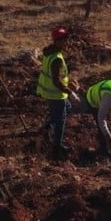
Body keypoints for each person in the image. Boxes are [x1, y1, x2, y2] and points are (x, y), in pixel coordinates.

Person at [36, 26, 78, 160]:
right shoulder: (56, 59)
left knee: (67, 108)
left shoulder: (50, 53)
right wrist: (71, 93)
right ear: (58, 41)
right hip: (55, 94)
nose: (67, 43)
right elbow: (56, 81)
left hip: (50, 92)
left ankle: (47, 127)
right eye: (65, 40)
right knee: (60, 121)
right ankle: (57, 147)